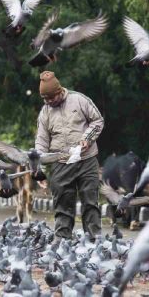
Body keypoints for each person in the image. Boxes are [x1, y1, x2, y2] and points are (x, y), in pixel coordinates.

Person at [35, 71, 104, 241]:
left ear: (59, 91)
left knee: (90, 201)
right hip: (60, 162)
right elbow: (41, 143)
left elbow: (98, 121)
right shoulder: (45, 112)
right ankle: (62, 241)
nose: (49, 101)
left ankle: (94, 241)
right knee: (62, 204)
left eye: (51, 97)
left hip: (86, 159)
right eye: (46, 99)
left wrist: (87, 139)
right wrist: (39, 170)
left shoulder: (79, 100)